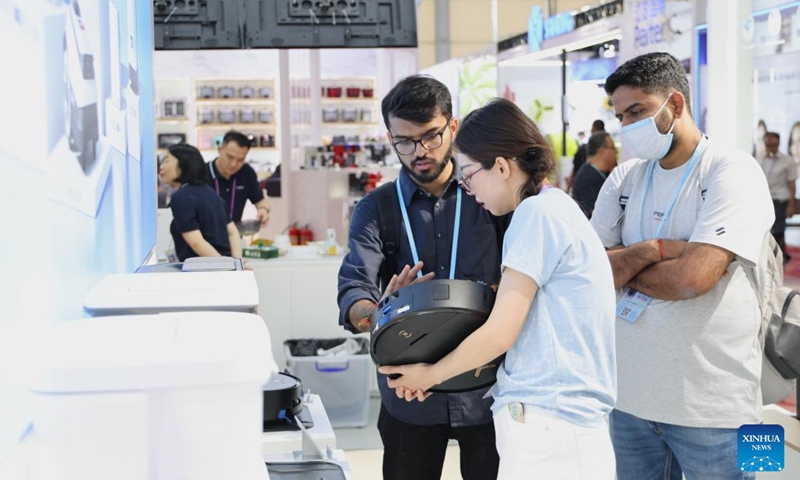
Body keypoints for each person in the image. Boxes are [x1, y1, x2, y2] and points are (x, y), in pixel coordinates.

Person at [379, 98, 617, 480]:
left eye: (469, 173)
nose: (467, 188)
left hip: (549, 426)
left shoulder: (534, 215)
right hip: (560, 424)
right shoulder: (556, 208)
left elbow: (500, 331)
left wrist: (431, 374)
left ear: (502, 167)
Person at [590, 52, 774, 480]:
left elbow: (694, 279)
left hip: (725, 411)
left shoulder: (733, 171)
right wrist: (654, 249)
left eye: (636, 111)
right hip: (629, 405)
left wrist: (626, 261)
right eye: (620, 116)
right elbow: (593, 275)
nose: (627, 126)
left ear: (674, 105)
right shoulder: (624, 179)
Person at [337, 75, 505, 480]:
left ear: (453, 126)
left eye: (430, 137)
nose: (419, 152)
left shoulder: (491, 194)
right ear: (391, 138)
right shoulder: (375, 208)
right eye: (405, 142)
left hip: (490, 388)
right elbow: (354, 289)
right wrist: (378, 314)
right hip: (410, 392)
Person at [159, 143, 242, 262]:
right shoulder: (210, 192)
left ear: (184, 164)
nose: (161, 167)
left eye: (167, 161)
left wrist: (225, 267)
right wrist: (236, 263)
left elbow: (196, 242)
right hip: (221, 267)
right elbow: (233, 232)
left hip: (204, 272)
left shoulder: (181, 197)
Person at [207, 130, 271, 226]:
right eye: (230, 157)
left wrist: (263, 210)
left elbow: (260, 200)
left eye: (240, 160)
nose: (233, 164)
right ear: (220, 149)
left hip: (235, 236)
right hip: (204, 238)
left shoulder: (246, 172)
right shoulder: (202, 173)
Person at [757, 131, 796, 262]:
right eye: (768, 143)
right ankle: (767, 254)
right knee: (762, 227)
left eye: (773, 143)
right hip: (762, 199)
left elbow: (791, 183)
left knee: (778, 227)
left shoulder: (787, 161)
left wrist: (791, 204)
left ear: (778, 143)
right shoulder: (759, 158)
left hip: (780, 199)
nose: (771, 146)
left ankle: (778, 255)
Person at [571, 131, 617, 218]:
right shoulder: (587, 178)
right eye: (613, 148)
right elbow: (600, 215)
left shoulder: (596, 172)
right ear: (602, 152)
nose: (616, 152)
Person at [567, 119, 605, 191]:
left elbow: (575, 169)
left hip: (583, 186)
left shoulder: (584, 149)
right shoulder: (606, 151)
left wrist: (568, 187)